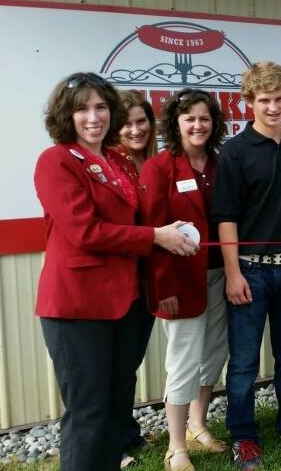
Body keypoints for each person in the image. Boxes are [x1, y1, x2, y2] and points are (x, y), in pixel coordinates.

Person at [34, 72, 197, 471]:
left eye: (101, 107)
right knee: (88, 412)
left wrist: (172, 230)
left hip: (126, 303)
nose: (94, 117)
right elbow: (85, 231)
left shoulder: (118, 160)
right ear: (65, 115)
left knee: (116, 407)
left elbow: (142, 215)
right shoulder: (56, 160)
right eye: (83, 108)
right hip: (79, 306)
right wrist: (155, 237)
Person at [211, 61, 281, 470]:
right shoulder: (234, 152)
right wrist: (233, 272)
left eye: (280, 99)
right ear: (248, 102)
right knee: (244, 363)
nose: (273, 107)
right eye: (264, 100)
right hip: (250, 271)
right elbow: (226, 217)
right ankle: (244, 435)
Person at [140, 88, 230, 471]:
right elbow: (152, 232)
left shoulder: (219, 163)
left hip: (220, 274)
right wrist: (164, 288)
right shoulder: (159, 168)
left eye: (205, 118)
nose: (198, 125)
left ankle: (197, 425)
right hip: (179, 281)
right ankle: (176, 446)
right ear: (175, 124)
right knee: (183, 359)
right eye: (190, 118)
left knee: (213, 353)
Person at [117, 89, 160, 468]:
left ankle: (126, 430)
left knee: (128, 360)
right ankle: (112, 440)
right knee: (113, 364)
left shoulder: (156, 163)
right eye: (127, 123)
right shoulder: (111, 166)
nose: (135, 129)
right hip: (116, 281)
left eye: (141, 121)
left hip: (147, 280)